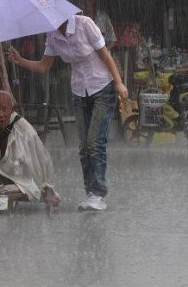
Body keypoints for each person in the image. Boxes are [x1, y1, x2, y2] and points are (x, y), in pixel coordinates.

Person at [8, 14, 128, 211]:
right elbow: (44, 66)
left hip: (102, 87)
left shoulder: (84, 25)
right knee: (83, 146)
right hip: (79, 91)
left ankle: (98, 194)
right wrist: (20, 60)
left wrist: (119, 83)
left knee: (94, 142)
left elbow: (106, 55)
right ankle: (90, 192)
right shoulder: (53, 35)